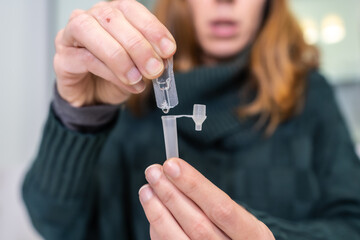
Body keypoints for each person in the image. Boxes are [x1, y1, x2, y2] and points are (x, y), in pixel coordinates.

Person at [23, 0, 360, 239]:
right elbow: (55, 223)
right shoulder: (129, 97)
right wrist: (81, 113)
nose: (225, 1)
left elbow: (353, 224)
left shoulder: (310, 95)